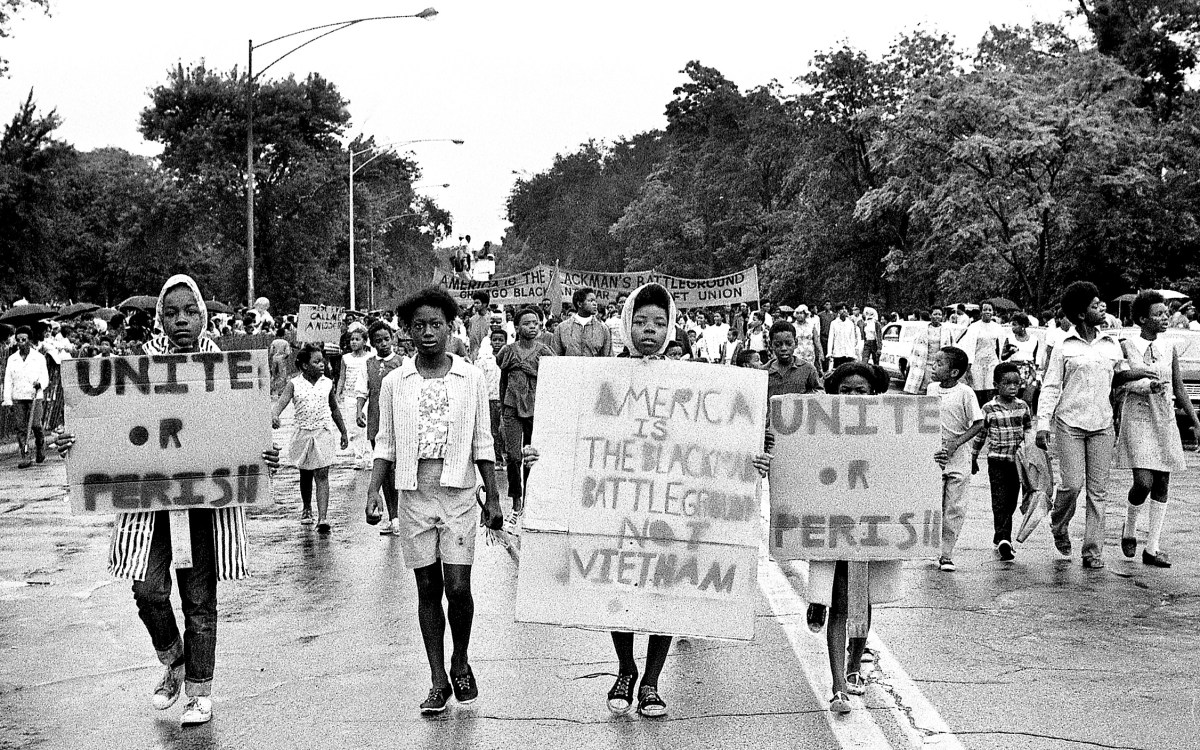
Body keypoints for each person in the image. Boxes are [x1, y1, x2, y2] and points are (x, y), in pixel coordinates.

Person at [523, 283, 771, 718]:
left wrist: (749, 459)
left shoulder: (692, 381)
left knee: (665, 594)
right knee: (617, 587)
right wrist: (542, 453)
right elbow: (575, 432)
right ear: (626, 326)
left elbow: (709, 440)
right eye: (641, 322)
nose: (649, 331)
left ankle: (652, 682)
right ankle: (625, 668)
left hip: (670, 512)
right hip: (619, 511)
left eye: (658, 323)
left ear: (670, 326)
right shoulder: (601, 377)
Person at [53, 274, 280, 727]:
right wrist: (75, 444)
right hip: (149, 504)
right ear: (160, 316)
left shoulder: (228, 371)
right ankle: (174, 659)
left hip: (205, 505)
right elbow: (106, 427)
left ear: (203, 316)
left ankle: (199, 690)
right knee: (148, 590)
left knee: (200, 600)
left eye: (189, 312)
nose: (181, 321)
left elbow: (243, 435)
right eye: (171, 312)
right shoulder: (138, 367)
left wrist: (262, 454)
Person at [366, 287, 503, 714]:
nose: (427, 333)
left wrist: (493, 497)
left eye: (436, 325)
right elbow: (385, 440)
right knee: (428, 586)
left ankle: (460, 657)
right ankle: (437, 678)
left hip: (459, 492)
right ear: (407, 331)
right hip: (413, 492)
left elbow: (483, 440)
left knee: (458, 587)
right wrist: (374, 489)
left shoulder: (471, 378)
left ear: (450, 327)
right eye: (418, 326)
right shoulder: (394, 382)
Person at [805, 362, 904, 715]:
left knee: (861, 604)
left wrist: (931, 458)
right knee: (841, 606)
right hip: (834, 530)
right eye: (845, 391)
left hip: (870, 530)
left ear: (874, 394)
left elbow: (907, 465)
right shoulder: (818, 428)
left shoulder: (889, 428)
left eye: (860, 391)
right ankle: (838, 685)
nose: (852, 397)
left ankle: (853, 665)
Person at [1037, 281, 1149, 569]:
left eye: (1102, 304)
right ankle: (1059, 525)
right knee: (1072, 485)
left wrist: (1147, 377)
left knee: (1098, 492)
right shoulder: (1064, 346)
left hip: (1102, 424)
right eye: (1095, 305)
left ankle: (1092, 551)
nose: (1102, 308)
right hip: (1069, 423)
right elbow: (1050, 387)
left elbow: (1121, 376)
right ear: (1081, 313)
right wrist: (1042, 424)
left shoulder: (1111, 343)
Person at [1115, 291, 1200, 568]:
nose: (1165, 318)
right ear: (1142, 319)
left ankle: (1152, 548)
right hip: (1138, 416)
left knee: (1162, 482)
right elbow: (1120, 382)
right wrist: (1144, 384)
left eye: (1166, 313)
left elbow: (1178, 386)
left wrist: (1194, 418)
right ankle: (1129, 527)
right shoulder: (1127, 345)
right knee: (1143, 482)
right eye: (1158, 314)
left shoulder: (1170, 346)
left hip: (1163, 416)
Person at [273, 343, 348, 531]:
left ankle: (323, 518)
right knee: (305, 473)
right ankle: (307, 508)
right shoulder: (294, 384)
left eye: (322, 361)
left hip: (323, 431)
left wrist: (343, 431)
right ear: (305, 366)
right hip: (303, 433)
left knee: (322, 473)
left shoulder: (327, 383)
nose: (322, 365)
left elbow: (334, 409)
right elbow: (282, 401)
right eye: (316, 362)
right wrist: (274, 415)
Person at [929, 346, 985, 572]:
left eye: (939, 364)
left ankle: (947, 554)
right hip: (935, 456)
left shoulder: (965, 393)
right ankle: (932, 548)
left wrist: (956, 443)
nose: (933, 367)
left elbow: (979, 423)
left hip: (959, 457)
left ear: (953, 372)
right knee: (933, 504)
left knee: (954, 507)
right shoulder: (931, 389)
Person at [970, 362, 1032, 562]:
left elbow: (1028, 432)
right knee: (999, 500)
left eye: (1016, 383)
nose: (1013, 387)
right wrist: (973, 456)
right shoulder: (988, 408)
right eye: (1007, 383)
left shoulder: (1023, 407)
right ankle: (1005, 538)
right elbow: (981, 434)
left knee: (1012, 500)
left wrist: (1034, 456)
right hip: (997, 461)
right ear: (996, 384)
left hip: (1017, 463)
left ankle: (1001, 535)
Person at [496, 307, 554, 516]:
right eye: (528, 323)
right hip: (512, 407)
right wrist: (502, 411)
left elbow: (555, 379)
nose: (533, 327)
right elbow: (502, 381)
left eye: (536, 323)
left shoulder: (545, 352)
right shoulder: (507, 351)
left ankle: (530, 497)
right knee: (513, 456)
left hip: (536, 409)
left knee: (531, 456)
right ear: (517, 327)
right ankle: (516, 500)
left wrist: (535, 372)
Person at [356, 321, 406, 535]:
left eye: (386, 339)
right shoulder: (368, 364)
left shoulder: (403, 362)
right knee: (383, 470)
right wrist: (359, 410)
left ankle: (403, 516)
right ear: (372, 343)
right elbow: (362, 390)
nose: (383, 343)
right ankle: (393, 516)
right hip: (378, 420)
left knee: (399, 470)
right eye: (378, 340)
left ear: (393, 338)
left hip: (400, 420)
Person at [3, 325, 49, 467]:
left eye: (24, 339)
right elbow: (8, 380)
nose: (21, 342)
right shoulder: (12, 359)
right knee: (21, 427)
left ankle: (40, 445)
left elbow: (45, 377)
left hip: (35, 395)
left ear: (29, 340)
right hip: (19, 396)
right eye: (18, 340)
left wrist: (40, 383)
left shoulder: (39, 357)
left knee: (35, 424)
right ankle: (25, 454)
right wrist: (8, 399)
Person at [955, 302, 1005, 405]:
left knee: (991, 389)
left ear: (993, 312)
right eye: (985, 309)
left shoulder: (997, 327)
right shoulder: (974, 327)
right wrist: (968, 367)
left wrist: (1001, 363)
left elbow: (1001, 346)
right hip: (977, 362)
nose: (987, 312)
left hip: (992, 362)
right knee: (977, 390)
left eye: (990, 310)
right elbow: (969, 347)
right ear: (981, 311)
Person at [337, 324, 372, 467]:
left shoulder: (370, 357)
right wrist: (338, 392)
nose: (354, 342)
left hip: (365, 396)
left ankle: (369, 456)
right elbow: (342, 377)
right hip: (350, 396)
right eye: (352, 339)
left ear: (364, 341)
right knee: (353, 428)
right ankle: (358, 456)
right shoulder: (345, 358)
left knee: (366, 426)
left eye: (357, 339)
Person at [903, 308, 954, 394]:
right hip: (925, 364)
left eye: (939, 314)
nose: (937, 317)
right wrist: (910, 362)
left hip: (939, 364)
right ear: (930, 315)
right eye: (935, 314)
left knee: (938, 389)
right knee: (923, 389)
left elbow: (952, 347)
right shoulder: (922, 330)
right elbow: (914, 347)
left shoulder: (947, 331)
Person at [552, 287, 612, 357]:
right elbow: (555, 358)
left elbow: (608, 358)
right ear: (579, 304)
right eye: (591, 301)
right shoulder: (561, 328)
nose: (595, 304)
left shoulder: (603, 329)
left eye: (595, 301)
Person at [826, 305, 860, 371]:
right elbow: (831, 339)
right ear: (838, 311)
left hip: (848, 353)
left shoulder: (850, 323)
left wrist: (853, 353)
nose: (844, 310)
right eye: (842, 309)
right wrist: (829, 352)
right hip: (838, 354)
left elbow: (852, 339)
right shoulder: (834, 323)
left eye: (845, 309)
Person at [792, 305, 824, 373]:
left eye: (801, 313)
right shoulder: (793, 326)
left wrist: (820, 352)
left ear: (805, 314)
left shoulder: (811, 325)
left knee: (809, 371)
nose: (799, 315)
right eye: (797, 313)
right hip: (797, 353)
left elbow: (816, 340)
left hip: (809, 354)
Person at [466, 292, 491, 360]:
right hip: (474, 355)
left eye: (477, 303)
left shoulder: (491, 319)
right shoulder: (472, 319)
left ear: (485, 304)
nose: (475, 305)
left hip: (487, 355)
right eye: (474, 303)